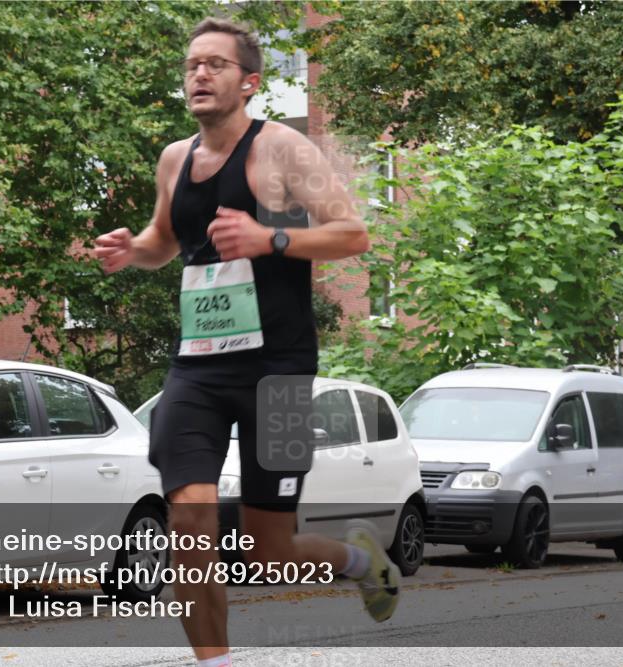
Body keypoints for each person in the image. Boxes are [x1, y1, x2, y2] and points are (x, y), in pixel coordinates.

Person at [92, 17, 400, 667]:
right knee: (191, 522)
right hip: (197, 371)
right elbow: (165, 241)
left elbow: (352, 235)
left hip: (281, 371)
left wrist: (273, 238)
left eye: (215, 65)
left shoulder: (283, 149)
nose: (198, 74)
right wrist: (133, 250)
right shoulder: (175, 159)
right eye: (191, 65)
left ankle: (357, 557)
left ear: (250, 82)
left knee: (270, 550)